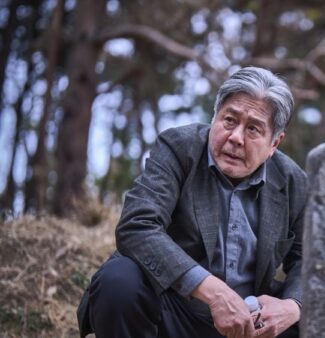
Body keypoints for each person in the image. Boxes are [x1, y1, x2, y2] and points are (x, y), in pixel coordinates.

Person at [77, 66, 307, 338]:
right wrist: (213, 291)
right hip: (175, 312)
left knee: (321, 319)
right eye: (229, 120)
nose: (235, 137)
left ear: (274, 144)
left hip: (249, 327)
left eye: (253, 129)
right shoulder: (178, 147)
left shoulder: (293, 181)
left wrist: (294, 306)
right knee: (119, 280)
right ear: (215, 116)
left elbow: (310, 258)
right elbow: (138, 225)